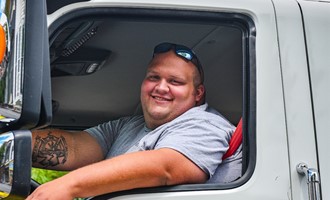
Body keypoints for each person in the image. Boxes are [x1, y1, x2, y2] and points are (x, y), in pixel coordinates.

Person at [27, 42, 241, 200]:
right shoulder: (129, 125)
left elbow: (166, 168)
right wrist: (10, 143)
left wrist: (68, 186)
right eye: (154, 77)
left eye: (175, 81)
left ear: (198, 93)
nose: (161, 87)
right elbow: (73, 148)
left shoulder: (205, 123)